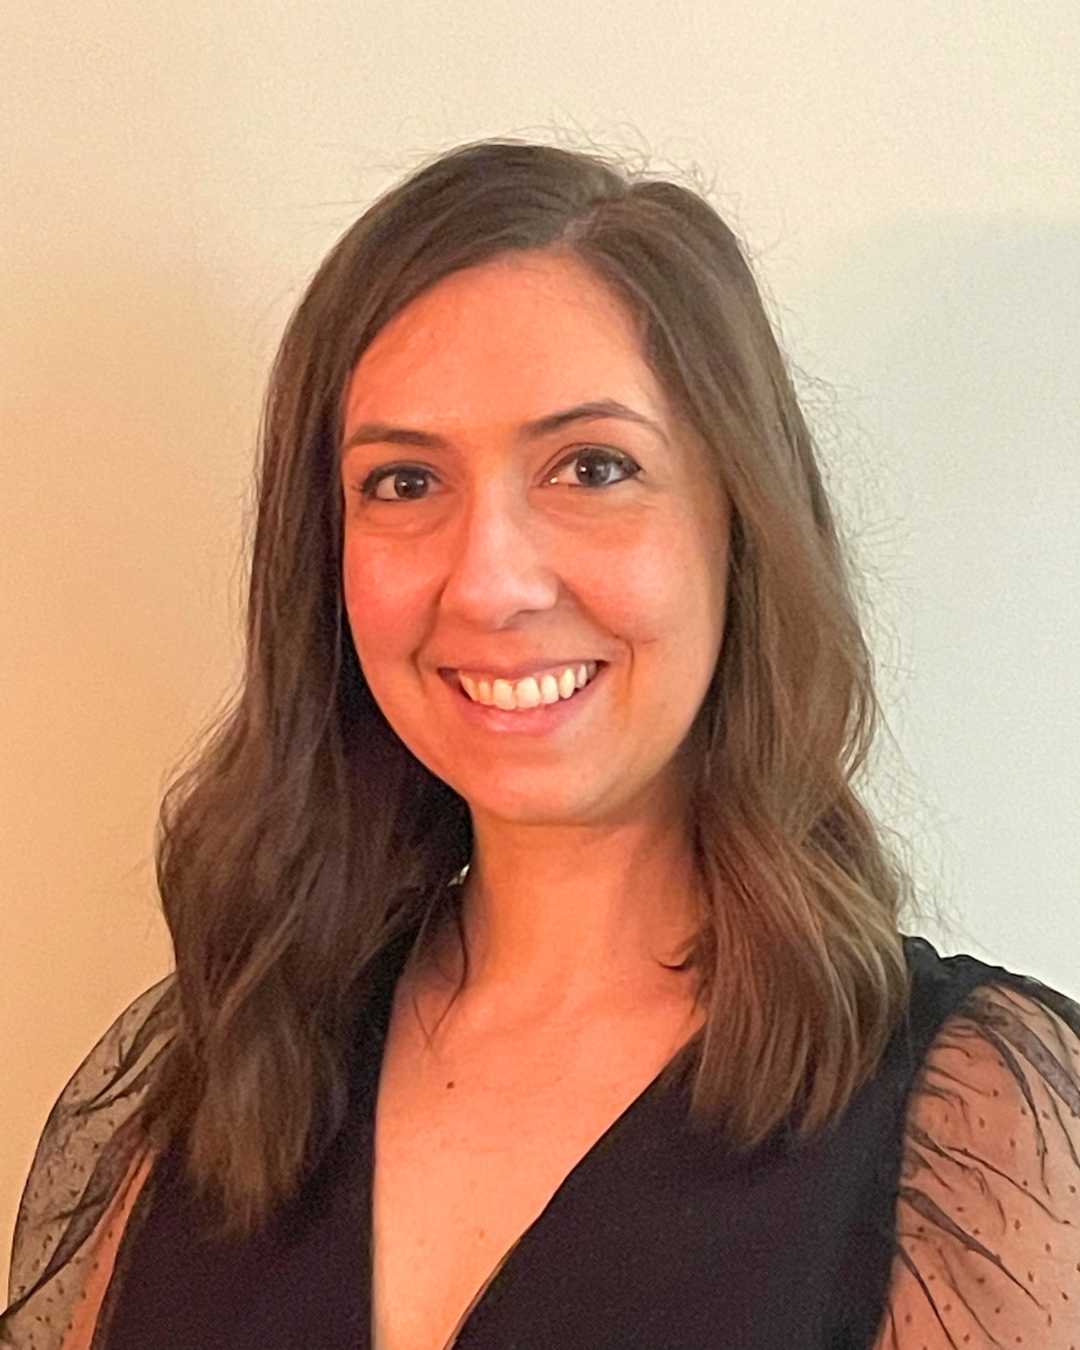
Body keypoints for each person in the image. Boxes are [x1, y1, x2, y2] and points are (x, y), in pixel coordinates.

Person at [2, 138, 1078, 1350]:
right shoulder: (207, 1076)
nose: (491, 582)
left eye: (592, 467)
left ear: (740, 525)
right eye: (404, 483)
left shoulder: (963, 1120)